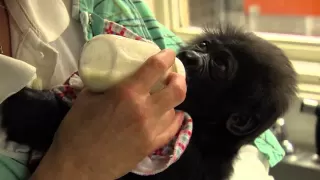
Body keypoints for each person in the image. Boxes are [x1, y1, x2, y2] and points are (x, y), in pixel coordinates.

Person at [0, 0, 283, 179]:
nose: (192, 57)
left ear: (240, 121)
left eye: (219, 66)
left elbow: (39, 120)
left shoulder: (183, 155)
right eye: (203, 47)